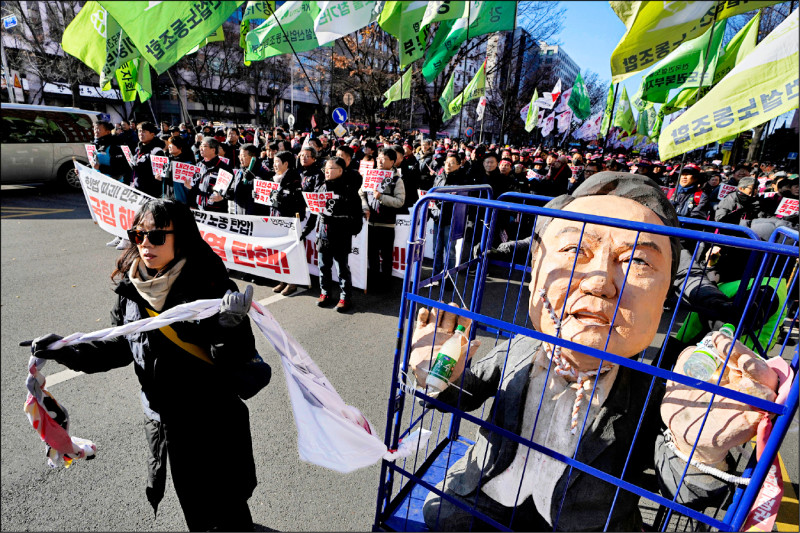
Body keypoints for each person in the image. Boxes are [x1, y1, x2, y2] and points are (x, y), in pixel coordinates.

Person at [411, 172, 780, 531]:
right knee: (441, 517)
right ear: (534, 273)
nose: (600, 282)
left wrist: (699, 450)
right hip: (481, 503)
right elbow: (461, 396)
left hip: (589, 524)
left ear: (664, 295)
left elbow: (682, 488)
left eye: (636, 261)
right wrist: (442, 376)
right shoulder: (517, 352)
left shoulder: (647, 391)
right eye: (574, 250)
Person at [30, 199, 261, 531]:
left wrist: (229, 326)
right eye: (138, 235)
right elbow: (120, 347)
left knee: (228, 508)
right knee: (194, 510)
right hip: (164, 423)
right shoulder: (132, 286)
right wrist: (65, 350)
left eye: (156, 236)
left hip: (211, 421)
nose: (145, 245)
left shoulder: (211, 285)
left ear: (180, 237)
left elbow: (236, 362)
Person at [301, 157, 363, 312]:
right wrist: (307, 229)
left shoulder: (350, 190)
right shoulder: (322, 187)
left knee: (342, 268)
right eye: (325, 169)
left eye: (330, 169)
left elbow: (356, 219)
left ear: (340, 170)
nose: (326, 172)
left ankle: (345, 297)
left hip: (341, 235)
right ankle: (325, 293)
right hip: (323, 233)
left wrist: (337, 219)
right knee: (323, 266)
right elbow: (315, 212)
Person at [359, 147, 406, 291]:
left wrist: (382, 197)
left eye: (384, 158)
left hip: (387, 225)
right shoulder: (370, 175)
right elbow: (361, 193)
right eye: (379, 157)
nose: (380, 161)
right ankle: (373, 282)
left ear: (392, 162)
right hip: (371, 223)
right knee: (372, 256)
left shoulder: (396, 180)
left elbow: (400, 201)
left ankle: (386, 285)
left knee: (386, 257)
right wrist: (365, 207)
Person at [226, 144, 271, 217]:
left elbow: (267, 197)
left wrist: (253, 180)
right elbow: (233, 190)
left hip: (256, 217)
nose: (240, 159)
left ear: (253, 157)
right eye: (239, 156)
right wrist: (229, 192)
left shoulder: (264, 172)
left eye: (243, 156)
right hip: (240, 215)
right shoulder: (239, 172)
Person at [193, 137, 233, 213]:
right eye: (200, 146)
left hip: (217, 211)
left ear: (213, 150)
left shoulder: (224, 168)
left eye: (204, 146)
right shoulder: (199, 165)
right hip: (199, 208)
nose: (201, 149)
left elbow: (230, 190)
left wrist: (222, 196)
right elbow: (195, 185)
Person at [162, 136, 196, 205]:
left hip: (181, 201)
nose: (169, 146)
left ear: (180, 147)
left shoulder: (188, 164)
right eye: (169, 144)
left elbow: (193, 186)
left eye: (172, 144)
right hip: (167, 198)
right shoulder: (167, 161)